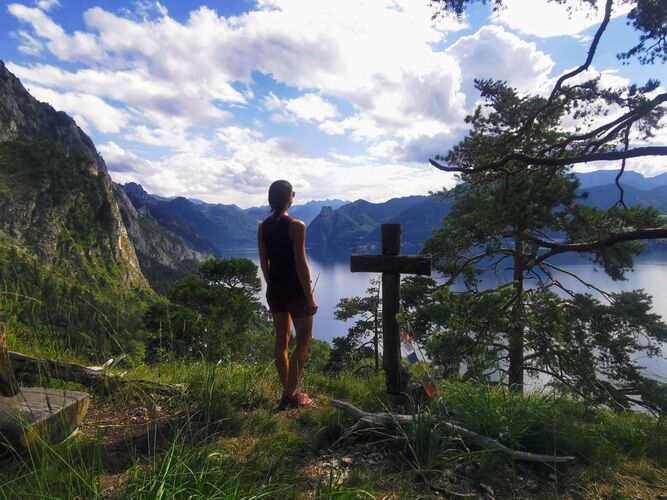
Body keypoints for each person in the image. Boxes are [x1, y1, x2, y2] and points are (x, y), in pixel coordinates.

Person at [258, 180, 318, 410]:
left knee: (281, 340)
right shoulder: (296, 226)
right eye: (292, 193)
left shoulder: (263, 227)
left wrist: (271, 286)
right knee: (304, 340)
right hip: (295, 290)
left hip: (275, 290)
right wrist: (309, 297)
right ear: (289, 198)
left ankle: (288, 392)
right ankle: (290, 395)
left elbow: (264, 263)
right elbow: (301, 265)